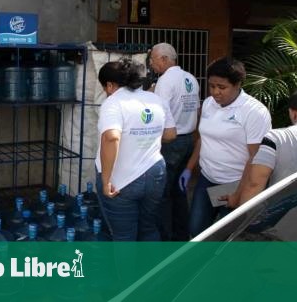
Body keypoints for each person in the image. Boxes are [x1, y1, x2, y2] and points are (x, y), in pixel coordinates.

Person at [180, 57, 271, 237]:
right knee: (196, 229)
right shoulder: (208, 104)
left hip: (234, 183)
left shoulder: (253, 111)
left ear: (237, 84)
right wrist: (189, 168)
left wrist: (239, 193)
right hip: (207, 179)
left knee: (226, 235)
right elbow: (203, 139)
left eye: (222, 87)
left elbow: (256, 158)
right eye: (212, 86)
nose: (215, 92)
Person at [95, 60, 177, 241]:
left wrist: (106, 180)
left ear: (109, 85)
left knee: (124, 236)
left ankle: (127, 271)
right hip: (155, 173)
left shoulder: (114, 102)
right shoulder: (156, 100)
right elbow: (171, 134)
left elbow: (111, 137)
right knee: (149, 228)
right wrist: (146, 136)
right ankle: (152, 270)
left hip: (122, 180)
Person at [224, 88, 297, 206]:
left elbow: (254, 184)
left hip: (284, 214)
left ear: (293, 113)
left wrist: (243, 219)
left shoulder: (276, 138)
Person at [150, 43, 200, 241]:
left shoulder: (165, 81)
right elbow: (196, 110)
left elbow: (159, 113)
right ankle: (181, 234)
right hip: (188, 139)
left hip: (171, 142)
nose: (152, 64)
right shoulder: (191, 78)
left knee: (162, 194)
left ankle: (165, 238)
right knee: (179, 191)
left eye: (153, 60)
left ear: (164, 59)